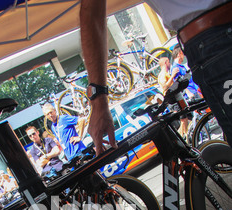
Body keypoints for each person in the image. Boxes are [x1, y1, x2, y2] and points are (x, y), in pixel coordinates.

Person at [79, 0, 232, 153]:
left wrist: (98, 99)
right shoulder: (164, 73)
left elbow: (91, 12)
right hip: (211, 36)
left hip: (212, 36)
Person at [158, 56, 190, 138]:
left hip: (177, 97)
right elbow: (165, 86)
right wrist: (173, 76)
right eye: (168, 62)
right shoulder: (162, 74)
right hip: (173, 99)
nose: (170, 64)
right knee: (183, 118)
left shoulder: (166, 74)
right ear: (165, 63)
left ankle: (186, 135)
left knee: (185, 116)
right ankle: (182, 137)